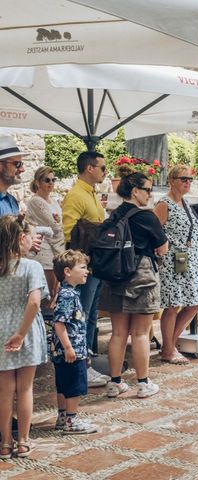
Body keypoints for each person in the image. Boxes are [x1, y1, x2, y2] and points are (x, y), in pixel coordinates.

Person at [100, 167, 168, 397]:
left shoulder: (113, 214)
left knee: (118, 332)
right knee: (140, 332)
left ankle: (115, 382)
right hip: (141, 275)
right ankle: (143, 383)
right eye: (147, 190)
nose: (150, 195)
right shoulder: (146, 216)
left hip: (116, 275)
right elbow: (162, 247)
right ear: (135, 190)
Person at [0, 216, 48, 458]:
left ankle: (5, 443)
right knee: (26, 388)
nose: (33, 240)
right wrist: (20, 333)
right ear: (21, 238)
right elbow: (35, 301)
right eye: (31, 236)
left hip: (1, 330)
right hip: (25, 330)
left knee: (5, 391)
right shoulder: (32, 267)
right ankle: (24, 441)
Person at [61, 151, 110, 388]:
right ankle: (83, 363)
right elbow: (69, 234)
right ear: (90, 168)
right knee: (82, 315)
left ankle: (87, 359)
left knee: (91, 314)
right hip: (85, 265)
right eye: (102, 167)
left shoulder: (90, 193)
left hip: (95, 263)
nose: (105, 172)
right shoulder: (76, 195)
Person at [154, 165, 198, 365]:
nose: (187, 182)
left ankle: (169, 346)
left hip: (188, 259)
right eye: (183, 179)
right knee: (173, 304)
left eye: (190, 179)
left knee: (195, 302)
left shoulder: (185, 202)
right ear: (171, 180)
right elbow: (154, 231)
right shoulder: (164, 203)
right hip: (173, 259)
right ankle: (168, 349)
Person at [50, 250, 98, 434]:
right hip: (71, 350)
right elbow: (59, 323)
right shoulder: (68, 295)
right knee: (74, 385)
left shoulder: (66, 292)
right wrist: (69, 347)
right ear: (68, 271)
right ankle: (71, 419)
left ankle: (62, 416)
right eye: (83, 268)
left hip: (62, 350)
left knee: (63, 383)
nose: (87, 271)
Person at [25, 167, 65, 310]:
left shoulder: (53, 201)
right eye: (46, 180)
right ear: (37, 182)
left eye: (53, 180)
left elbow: (59, 224)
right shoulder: (36, 201)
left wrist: (57, 225)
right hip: (42, 250)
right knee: (46, 296)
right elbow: (55, 225)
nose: (51, 183)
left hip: (56, 248)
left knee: (55, 294)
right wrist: (57, 226)